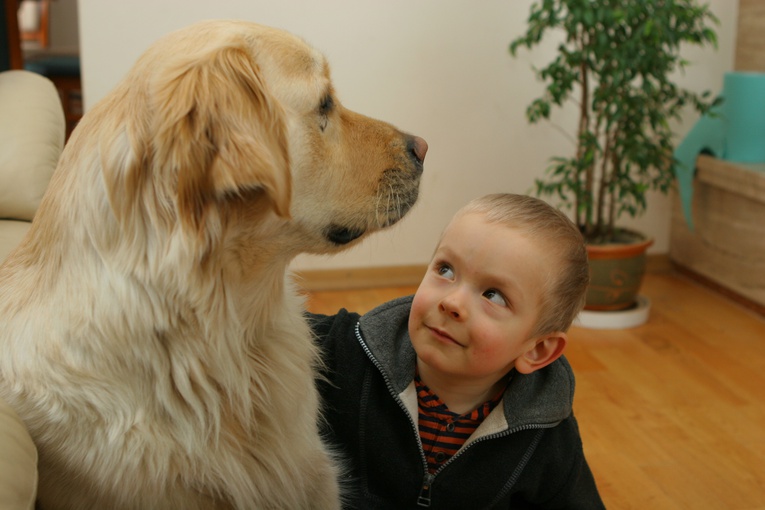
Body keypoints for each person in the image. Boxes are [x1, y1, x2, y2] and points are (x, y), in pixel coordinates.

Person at [309, 193, 605, 509]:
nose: (452, 302)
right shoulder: (338, 351)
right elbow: (260, 326)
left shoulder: (547, 435)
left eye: (494, 295)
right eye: (446, 270)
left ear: (538, 350)